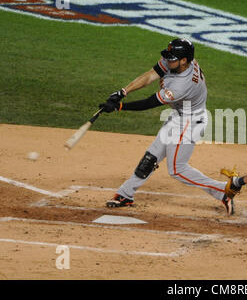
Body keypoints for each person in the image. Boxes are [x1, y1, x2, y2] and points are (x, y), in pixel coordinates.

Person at [99, 38, 239, 215]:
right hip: (179, 116)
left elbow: (149, 103)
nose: (168, 60)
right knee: (151, 157)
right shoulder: (181, 62)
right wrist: (122, 92)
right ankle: (126, 194)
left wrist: (120, 107)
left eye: (173, 58)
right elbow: (151, 75)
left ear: (184, 61)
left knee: (177, 170)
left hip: (189, 122)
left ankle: (223, 190)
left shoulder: (182, 85)